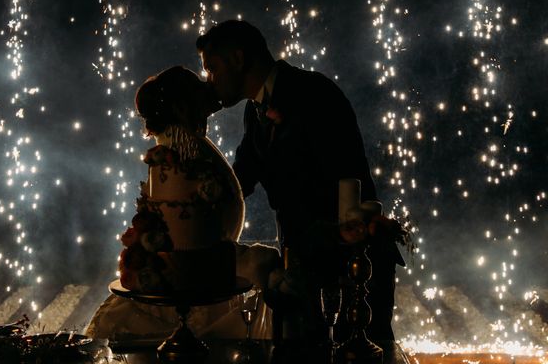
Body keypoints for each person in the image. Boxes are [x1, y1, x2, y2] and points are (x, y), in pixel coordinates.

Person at [196, 20, 404, 344]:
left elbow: (346, 181)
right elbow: (240, 179)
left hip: (351, 265)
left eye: (213, 69)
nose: (211, 80)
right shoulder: (254, 112)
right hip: (305, 265)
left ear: (238, 59)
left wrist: (331, 245)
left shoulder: (314, 93)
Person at [86, 66, 280, 342]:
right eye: (199, 87)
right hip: (198, 269)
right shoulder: (180, 147)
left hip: (212, 259)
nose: (209, 89)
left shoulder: (187, 142)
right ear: (184, 103)